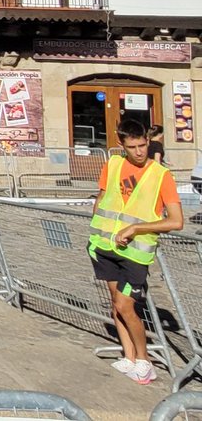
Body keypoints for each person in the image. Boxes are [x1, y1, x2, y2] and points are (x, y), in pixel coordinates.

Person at [88, 117, 183, 385]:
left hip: (135, 253)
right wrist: (95, 224)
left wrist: (136, 228)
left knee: (125, 305)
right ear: (121, 144)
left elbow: (176, 221)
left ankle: (145, 361)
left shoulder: (161, 175)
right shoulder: (113, 164)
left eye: (143, 145)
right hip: (105, 245)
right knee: (115, 306)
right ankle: (129, 358)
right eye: (133, 147)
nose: (140, 152)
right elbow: (103, 197)